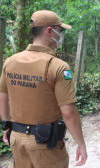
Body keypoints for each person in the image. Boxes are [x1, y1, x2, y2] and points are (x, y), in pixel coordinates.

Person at [0, 10, 87, 167]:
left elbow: (3, 97)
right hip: (46, 144)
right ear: (49, 31)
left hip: (17, 140)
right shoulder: (59, 67)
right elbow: (69, 114)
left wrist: (6, 125)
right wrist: (81, 144)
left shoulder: (10, 62)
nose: (61, 36)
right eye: (59, 31)